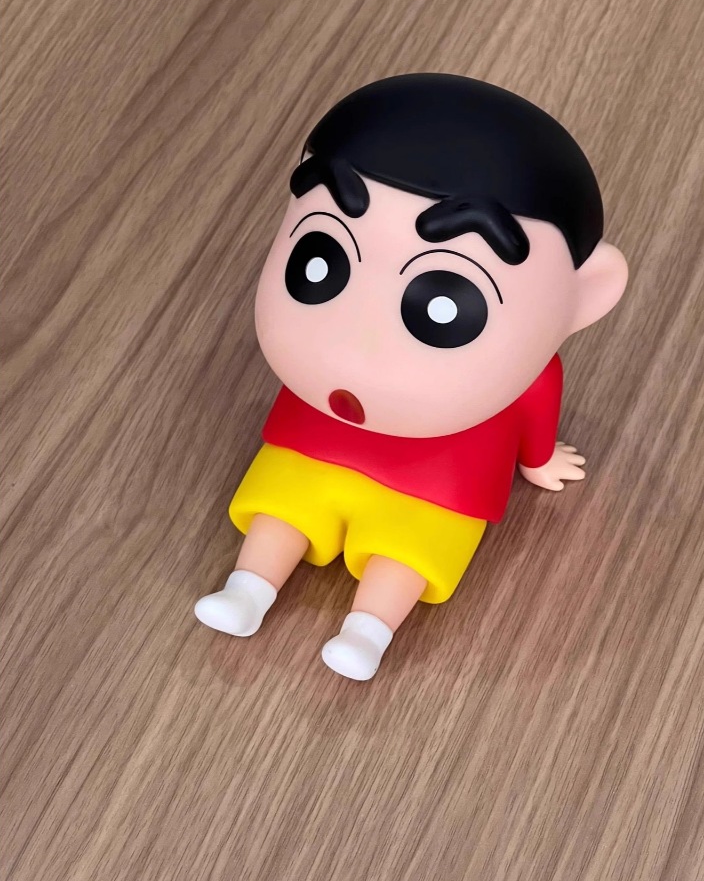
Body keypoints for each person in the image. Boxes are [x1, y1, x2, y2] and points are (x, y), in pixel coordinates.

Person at [194, 73, 628, 680]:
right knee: (281, 514)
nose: (357, 348)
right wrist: (536, 461)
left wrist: (538, 460)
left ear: (584, 296)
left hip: (441, 479)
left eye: (444, 305)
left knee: (403, 555)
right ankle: (247, 590)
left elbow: (536, 415)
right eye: (319, 261)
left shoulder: (528, 377)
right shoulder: (315, 380)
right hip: (314, 444)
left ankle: (367, 632)